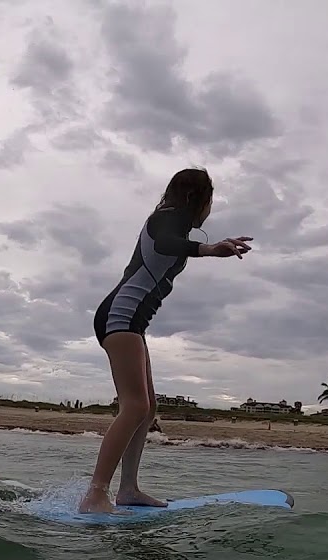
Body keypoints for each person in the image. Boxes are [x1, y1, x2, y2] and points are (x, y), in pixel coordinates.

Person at [79, 168, 252, 514]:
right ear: (196, 199)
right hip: (120, 316)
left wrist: (206, 246)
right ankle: (96, 493)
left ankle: (128, 489)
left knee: (148, 408)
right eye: (209, 200)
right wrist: (207, 249)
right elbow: (164, 244)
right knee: (136, 406)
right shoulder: (164, 220)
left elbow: (173, 244)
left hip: (132, 322)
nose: (210, 208)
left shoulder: (175, 224)